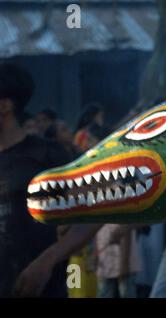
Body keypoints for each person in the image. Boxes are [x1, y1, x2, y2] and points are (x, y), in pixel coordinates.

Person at [0, 62, 102, 297]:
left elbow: (94, 213)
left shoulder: (46, 155)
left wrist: (47, 261)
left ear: (5, 105)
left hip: (39, 289)